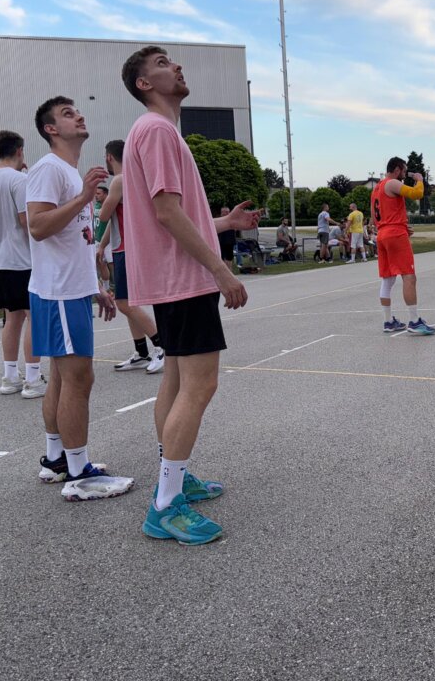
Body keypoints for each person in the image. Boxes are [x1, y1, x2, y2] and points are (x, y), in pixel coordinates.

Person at [120, 44, 261, 544]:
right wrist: (220, 270)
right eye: (162, 64)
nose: (176, 66)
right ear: (144, 83)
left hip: (170, 279)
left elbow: (176, 215)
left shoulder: (153, 132)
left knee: (177, 382)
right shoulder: (158, 130)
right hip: (183, 279)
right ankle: (165, 505)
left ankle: (174, 479)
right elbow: (166, 213)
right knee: (200, 385)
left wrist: (225, 223)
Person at [27, 95, 127, 496]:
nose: (79, 116)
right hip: (59, 292)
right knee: (79, 378)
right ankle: (79, 475)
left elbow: (76, 240)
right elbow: (37, 226)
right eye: (68, 114)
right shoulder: (49, 169)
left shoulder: (67, 171)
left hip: (70, 289)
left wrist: (96, 287)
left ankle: (57, 459)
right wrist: (84, 197)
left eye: (78, 111)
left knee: (61, 377)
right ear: (51, 129)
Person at [0, 130, 46, 399]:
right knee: (34, 316)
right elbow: (25, 220)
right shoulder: (20, 180)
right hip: (19, 258)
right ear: (20, 150)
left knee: (13, 316)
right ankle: (33, 377)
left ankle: (9, 376)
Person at [97, 138, 165, 374]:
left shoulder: (119, 180)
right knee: (129, 302)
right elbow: (115, 220)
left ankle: (161, 345)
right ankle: (141, 352)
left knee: (124, 303)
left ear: (109, 157)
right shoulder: (135, 177)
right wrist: (101, 246)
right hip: (124, 246)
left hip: (127, 248)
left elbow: (103, 215)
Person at [370, 156, 435, 335]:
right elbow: (416, 194)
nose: (405, 175)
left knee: (388, 279)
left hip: (382, 234)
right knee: (409, 276)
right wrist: (419, 180)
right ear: (397, 170)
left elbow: (375, 217)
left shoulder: (377, 188)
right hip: (395, 234)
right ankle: (414, 321)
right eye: (404, 171)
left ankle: (388, 321)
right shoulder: (392, 183)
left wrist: (398, 225)